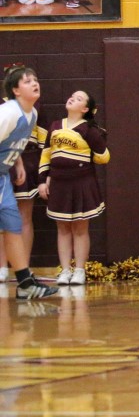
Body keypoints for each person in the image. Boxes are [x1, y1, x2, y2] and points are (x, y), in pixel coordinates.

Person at [38, 90, 109, 286]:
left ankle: (79, 270)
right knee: (62, 228)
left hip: (81, 182)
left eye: (79, 99)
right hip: (59, 183)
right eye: (72, 96)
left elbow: (104, 157)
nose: (72, 98)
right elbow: (46, 155)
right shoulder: (55, 126)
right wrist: (43, 180)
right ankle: (65, 270)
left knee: (80, 228)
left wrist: (85, 157)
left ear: (85, 109)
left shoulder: (88, 130)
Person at [0, 66, 58, 299]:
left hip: (3, 176)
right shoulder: (8, 113)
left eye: (35, 79)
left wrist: (18, 163)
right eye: (27, 81)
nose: (35, 83)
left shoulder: (31, 113)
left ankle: (25, 284)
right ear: (15, 90)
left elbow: (12, 142)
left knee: (13, 225)